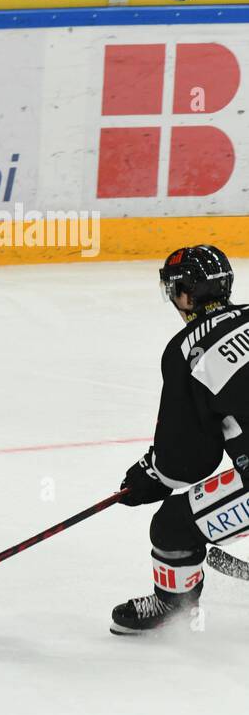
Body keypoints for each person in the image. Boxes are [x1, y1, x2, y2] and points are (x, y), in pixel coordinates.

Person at [110, 245, 249, 634]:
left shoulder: (187, 350)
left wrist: (150, 477)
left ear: (187, 293)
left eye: (175, 289)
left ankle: (173, 605)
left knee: (173, 527)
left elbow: (188, 459)